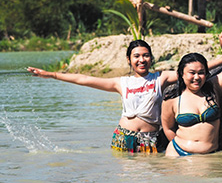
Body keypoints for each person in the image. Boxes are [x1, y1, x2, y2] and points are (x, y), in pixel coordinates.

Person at [27, 39, 179, 153]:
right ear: (129, 59)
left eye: (145, 56)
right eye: (136, 56)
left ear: (151, 58)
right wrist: (51, 74)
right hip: (123, 138)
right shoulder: (122, 82)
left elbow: (189, 72)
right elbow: (84, 79)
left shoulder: (160, 78)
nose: (141, 60)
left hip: (150, 139)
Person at [162, 28, 222, 156]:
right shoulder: (172, 99)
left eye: (201, 73)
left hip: (209, 155)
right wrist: (179, 149)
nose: (197, 77)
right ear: (181, 74)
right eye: (192, 73)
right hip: (178, 153)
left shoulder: (214, 88)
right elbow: (168, 128)